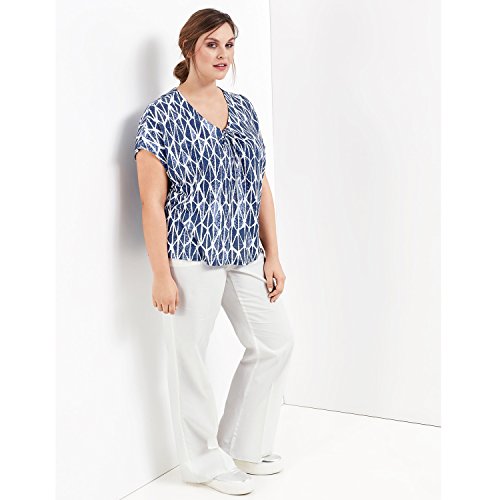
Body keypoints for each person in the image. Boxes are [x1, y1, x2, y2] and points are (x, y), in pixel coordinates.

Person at [134, 8, 294, 495]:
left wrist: (272, 253)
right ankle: (202, 463)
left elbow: (259, 184)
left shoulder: (242, 108)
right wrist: (160, 274)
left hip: (244, 249)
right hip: (190, 254)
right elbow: (151, 202)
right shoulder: (160, 116)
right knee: (190, 358)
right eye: (212, 44)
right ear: (189, 49)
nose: (223, 54)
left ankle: (244, 444)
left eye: (229, 44)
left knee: (275, 342)